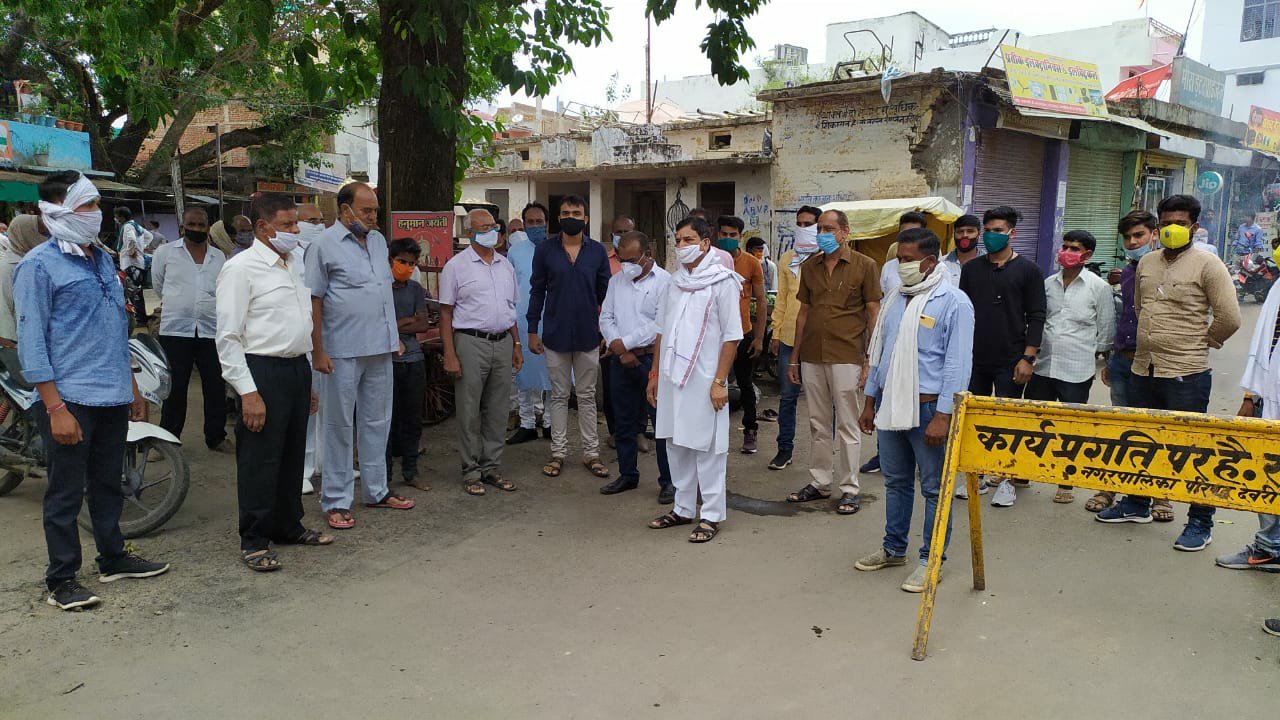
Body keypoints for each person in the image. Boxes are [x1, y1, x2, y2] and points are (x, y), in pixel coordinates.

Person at [16, 171, 168, 609]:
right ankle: (61, 579)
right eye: (87, 205)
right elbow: (33, 341)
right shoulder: (37, 266)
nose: (96, 213)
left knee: (107, 484)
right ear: (57, 209)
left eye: (98, 204)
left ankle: (113, 557)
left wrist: (133, 386)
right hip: (69, 398)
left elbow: (114, 330)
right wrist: (54, 406)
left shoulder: (102, 258)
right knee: (65, 492)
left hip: (113, 394)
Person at [1096, 195, 1241, 552]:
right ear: (1158, 226)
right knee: (1141, 440)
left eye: (1181, 221)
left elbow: (1230, 317)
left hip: (1186, 372)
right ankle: (1136, 503)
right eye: (1167, 221)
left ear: (1194, 226)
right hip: (1143, 367)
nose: (1172, 228)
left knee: (1191, 449)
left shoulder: (1209, 265)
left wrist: (1200, 341)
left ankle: (1200, 522)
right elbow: (1141, 308)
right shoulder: (1146, 263)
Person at [216, 192, 332, 572]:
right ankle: (254, 539)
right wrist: (248, 392)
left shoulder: (293, 263)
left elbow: (298, 321)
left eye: (296, 223)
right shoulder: (242, 268)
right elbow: (228, 338)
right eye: (287, 225)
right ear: (262, 227)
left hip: (295, 368)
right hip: (260, 370)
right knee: (260, 459)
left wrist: (307, 380)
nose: (295, 230)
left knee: (291, 453)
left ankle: (288, 525)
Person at [855, 227, 974, 592]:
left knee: (936, 490)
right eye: (898, 259)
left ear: (930, 261)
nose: (901, 266)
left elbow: (957, 365)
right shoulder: (894, 299)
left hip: (928, 411)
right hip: (891, 405)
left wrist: (943, 416)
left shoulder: (954, 303)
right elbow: (882, 354)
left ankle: (931, 560)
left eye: (907, 260)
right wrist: (870, 401)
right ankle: (893, 549)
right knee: (896, 482)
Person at [308, 181, 414, 531]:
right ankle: (336, 500)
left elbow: (383, 295)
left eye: (375, 211)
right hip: (340, 351)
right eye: (366, 210)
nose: (372, 217)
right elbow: (315, 301)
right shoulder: (322, 245)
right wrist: (318, 350)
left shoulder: (379, 241)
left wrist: (393, 338)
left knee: (377, 421)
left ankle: (377, 490)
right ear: (344, 209)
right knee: (339, 426)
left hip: (380, 348)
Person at [646, 217, 742, 543]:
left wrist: (720, 381)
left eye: (689, 240)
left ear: (705, 243)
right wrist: (655, 373)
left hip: (706, 379)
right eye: (678, 239)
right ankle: (683, 508)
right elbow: (662, 331)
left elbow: (732, 337)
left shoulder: (723, 282)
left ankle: (712, 514)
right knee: (676, 443)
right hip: (673, 377)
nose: (681, 246)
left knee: (708, 448)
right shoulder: (673, 283)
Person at [784, 209, 882, 515]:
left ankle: (850, 488)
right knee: (817, 423)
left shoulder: (865, 266)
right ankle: (820, 481)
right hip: (813, 354)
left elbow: (873, 312)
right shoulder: (810, 266)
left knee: (848, 425)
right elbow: (803, 313)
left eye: (828, 228)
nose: (822, 234)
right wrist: (794, 358)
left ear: (844, 232)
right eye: (819, 228)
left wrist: (870, 359)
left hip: (847, 354)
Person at [957, 205, 1046, 507]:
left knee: (1007, 420)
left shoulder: (1029, 270)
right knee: (975, 419)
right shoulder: (971, 270)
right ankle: (978, 475)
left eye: (999, 230)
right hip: (975, 358)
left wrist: (1028, 358)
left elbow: (1036, 315)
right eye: (989, 230)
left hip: (1011, 358)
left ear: (1012, 233)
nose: (993, 236)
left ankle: (1007, 478)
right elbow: (963, 313)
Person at [1091, 210, 1173, 519]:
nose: (1132, 242)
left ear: (1154, 234)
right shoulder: (1126, 271)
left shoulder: (1169, 268)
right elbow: (1123, 318)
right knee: (1121, 428)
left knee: (1156, 428)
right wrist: (1113, 357)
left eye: (1138, 235)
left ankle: (1161, 496)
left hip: (1156, 363)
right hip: (1124, 360)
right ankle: (1110, 487)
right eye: (1127, 237)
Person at [1023, 230, 1114, 504]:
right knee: (1036, 423)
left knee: (1071, 428)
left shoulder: (1099, 287)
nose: (1066, 251)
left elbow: (1106, 329)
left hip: (1077, 369)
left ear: (1086, 255)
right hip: (1044, 366)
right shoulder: (1048, 283)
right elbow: (1038, 320)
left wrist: (1104, 362)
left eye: (1074, 247)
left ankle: (1066, 481)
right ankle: (1022, 473)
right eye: (1064, 246)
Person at [527, 195, 612, 480]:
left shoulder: (597, 252)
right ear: (559, 218)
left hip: (589, 334)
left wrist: (606, 332)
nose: (571, 216)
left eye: (576, 212)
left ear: (586, 218)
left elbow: (606, 296)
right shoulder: (546, 251)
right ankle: (558, 453)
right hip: (554, 334)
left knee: (587, 397)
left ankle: (591, 453)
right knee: (559, 396)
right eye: (565, 213)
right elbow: (537, 290)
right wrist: (531, 330)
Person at [439, 208, 522, 495]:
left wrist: (517, 344)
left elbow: (511, 309)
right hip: (470, 342)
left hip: (503, 342)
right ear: (469, 232)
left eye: (494, 226)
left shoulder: (505, 265)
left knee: (498, 409)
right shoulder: (456, 266)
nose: (491, 231)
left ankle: (492, 467)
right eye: (484, 227)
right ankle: (470, 470)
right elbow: (446, 313)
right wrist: (450, 354)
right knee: (469, 410)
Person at [599, 231, 674, 502]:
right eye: (621, 259)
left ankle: (669, 481)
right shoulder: (616, 281)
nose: (626, 264)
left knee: (661, 422)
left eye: (632, 259)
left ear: (647, 255)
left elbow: (660, 325)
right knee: (623, 421)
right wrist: (618, 347)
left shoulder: (666, 282)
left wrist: (624, 343)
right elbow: (606, 316)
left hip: (650, 360)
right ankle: (627, 474)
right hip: (620, 361)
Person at [151, 206, 231, 452]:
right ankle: (168, 439)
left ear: (208, 227)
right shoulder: (165, 253)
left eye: (201, 225)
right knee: (175, 388)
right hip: (176, 330)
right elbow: (158, 285)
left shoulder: (218, 257)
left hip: (211, 330)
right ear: (182, 227)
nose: (197, 229)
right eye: (192, 225)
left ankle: (216, 437)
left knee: (215, 386)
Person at [1217, 259, 1280, 573]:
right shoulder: (1278, 287)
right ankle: (1270, 548)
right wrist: (1250, 396)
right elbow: (1265, 346)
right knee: (1269, 473)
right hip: (1270, 399)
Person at [767, 205, 822, 470]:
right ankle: (784, 449)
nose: (803, 227)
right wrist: (776, 333)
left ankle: (823, 456)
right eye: (799, 223)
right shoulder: (788, 259)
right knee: (787, 397)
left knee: (822, 402)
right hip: (789, 337)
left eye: (809, 223)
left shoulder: (827, 258)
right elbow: (782, 298)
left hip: (819, 339)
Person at [717, 214, 767, 454]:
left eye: (732, 235)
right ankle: (714, 435)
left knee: (745, 383)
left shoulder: (751, 263)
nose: (728, 239)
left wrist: (758, 338)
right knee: (715, 382)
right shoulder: (710, 260)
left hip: (743, 333)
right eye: (724, 234)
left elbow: (761, 300)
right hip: (715, 335)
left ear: (740, 236)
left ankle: (750, 430)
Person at [386, 238, 431, 491]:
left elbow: (423, 324)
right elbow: (380, 322)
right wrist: (406, 321)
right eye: (402, 261)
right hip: (388, 362)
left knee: (413, 419)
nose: (406, 267)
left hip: (414, 359)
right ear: (390, 260)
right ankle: (385, 476)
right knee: (388, 420)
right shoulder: (380, 287)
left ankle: (410, 471)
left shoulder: (414, 289)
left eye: (411, 263)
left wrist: (395, 323)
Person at [507, 202, 553, 444]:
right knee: (522, 372)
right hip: (523, 320)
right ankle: (526, 422)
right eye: (531, 222)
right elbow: (511, 287)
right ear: (524, 225)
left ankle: (548, 423)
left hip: (551, 319)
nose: (536, 226)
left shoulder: (558, 248)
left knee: (551, 373)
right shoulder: (515, 251)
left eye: (539, 222)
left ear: (547, 224)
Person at [295, 203, 327, 495]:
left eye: (321, 220)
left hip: (327, 337)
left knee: (327, 404)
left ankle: (325, 461)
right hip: (300, 339)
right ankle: (303, 469)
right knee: (308, 406)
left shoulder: (326, 249)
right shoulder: (290, 253)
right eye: (311, 221)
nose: (318, 225)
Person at [601, 214, 634, 449]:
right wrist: (608, 338)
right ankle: (615, 432)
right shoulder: (603, 261)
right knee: (611, 388)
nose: (620, 236)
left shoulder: (644, 264)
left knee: (640, 389)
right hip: (608, 336)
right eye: (617, 231)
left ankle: (639, 431)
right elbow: (598, 301)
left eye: (626, 232)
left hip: (637, 339)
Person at [0, 215, 43, 346]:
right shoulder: (7, 268)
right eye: (40, 232)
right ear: (26, 234)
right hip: (22, 342)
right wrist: (12, 345)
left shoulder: (36, 260)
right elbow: (2, 309)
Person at [879, 211, 929, 294]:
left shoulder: (935, 269)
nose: (908, 238)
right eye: (904, 234)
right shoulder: (888, 267)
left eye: (914, 234)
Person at [941, 214, 983, 283]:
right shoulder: (941, 264)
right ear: (954, 234)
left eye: (970, 231)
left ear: (978, 234)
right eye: (960, 231)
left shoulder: (990, 262)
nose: (964, 235)